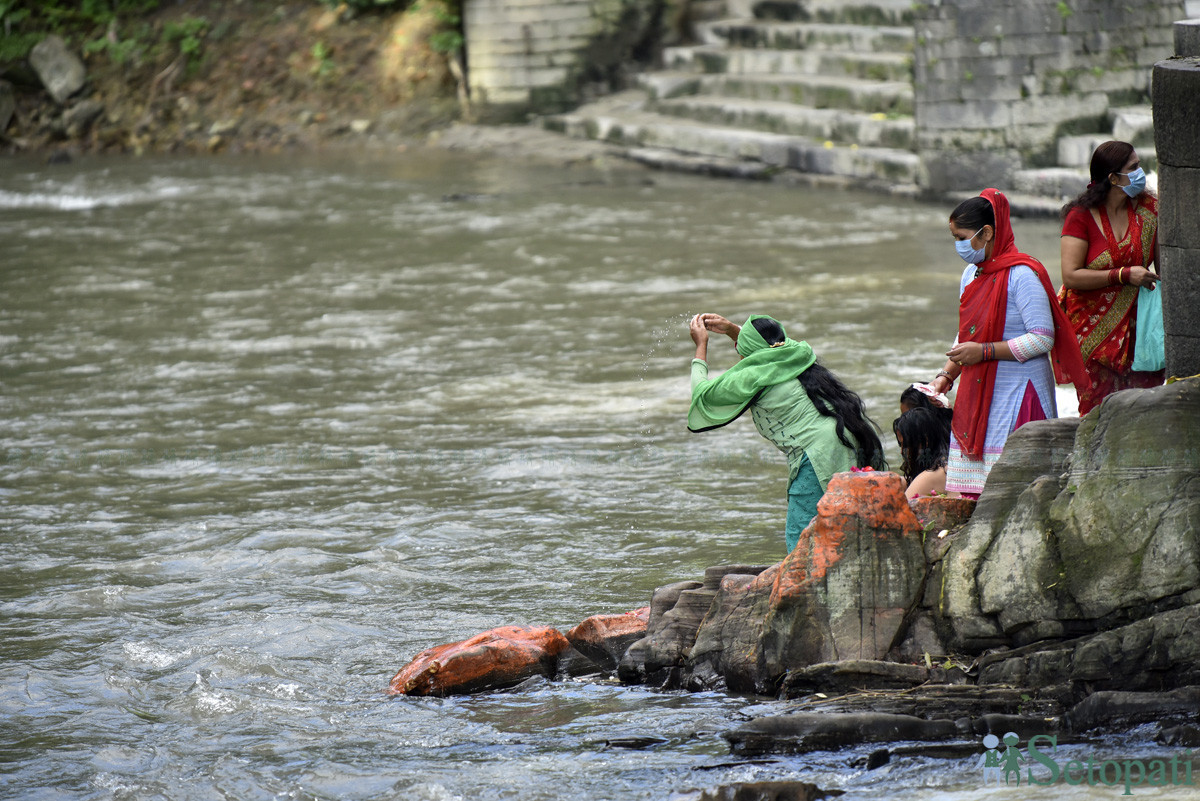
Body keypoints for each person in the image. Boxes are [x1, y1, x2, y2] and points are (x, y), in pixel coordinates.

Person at [927, 189, 1087, 499]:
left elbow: (1042, 338)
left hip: (1020, 391)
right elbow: (968, 332)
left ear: (986, 233)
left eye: (961, 237)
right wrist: (946, 376)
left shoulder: (1023, 274)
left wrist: (984, 352)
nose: (958, 245)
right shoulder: (971, 274)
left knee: (1020, 490)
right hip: (980, 388)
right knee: (980, 495)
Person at [687, 312, 886, 552]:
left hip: (816, 455)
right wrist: (731, 330)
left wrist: (701, 346)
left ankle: (805, 588)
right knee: (854, 524)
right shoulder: (796, 353)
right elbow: (769, 345)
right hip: (852, 436)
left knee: (801, 538)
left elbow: (703, 395)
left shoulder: (752, 376)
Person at [1058, 140, 1163, 414]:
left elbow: (1164, 270)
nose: (1141, 173)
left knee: (1143, 408)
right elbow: (1070, 276)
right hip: (1092, 332)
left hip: (1141, 329)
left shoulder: (1150, 210)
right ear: (1113, 178)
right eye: (1135, 167)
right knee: (1097, 413)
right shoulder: (1079, 217)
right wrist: (1123, 275)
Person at [893, 407, 950, 499]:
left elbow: (902, 511)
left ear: (925, 440)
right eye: (901, 445)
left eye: (906, 445)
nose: (901, 451)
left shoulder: (929, 476)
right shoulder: (947, 462)